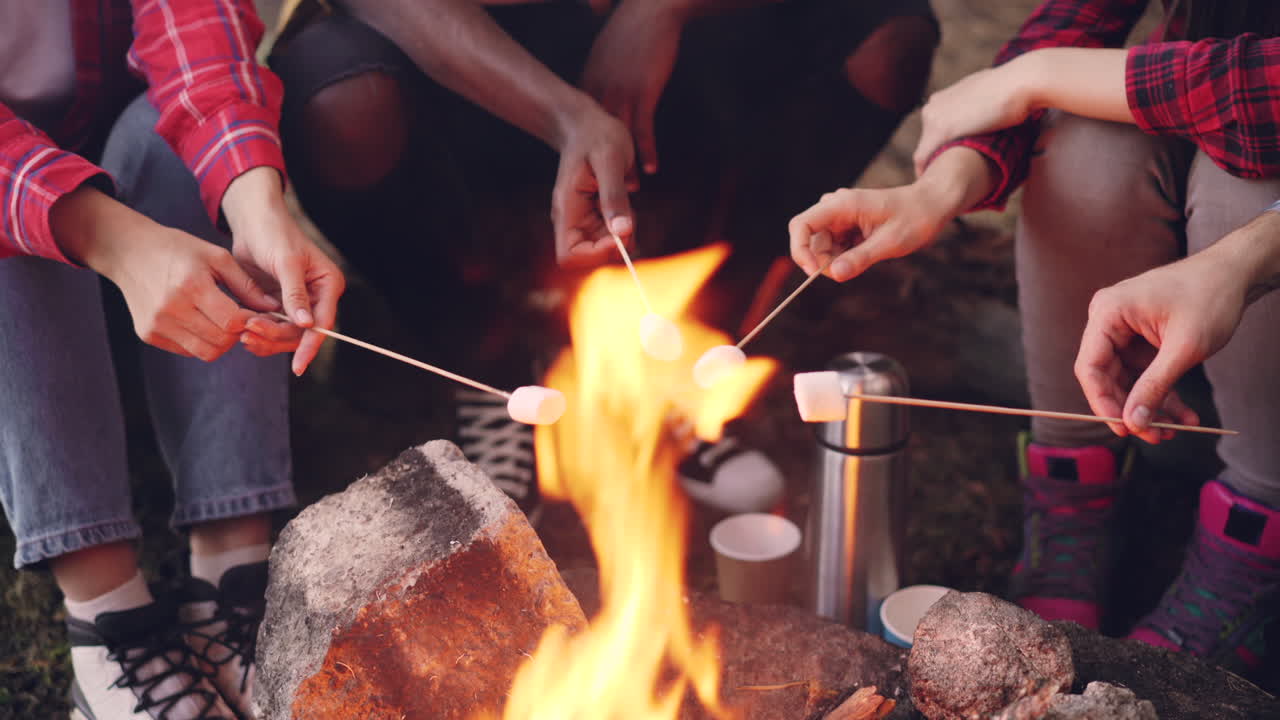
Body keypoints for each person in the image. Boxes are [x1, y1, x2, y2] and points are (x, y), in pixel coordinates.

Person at [266, 0, 938, 520]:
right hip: (449, 62)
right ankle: (487, 373)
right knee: (336, 89)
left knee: (884, 27)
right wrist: (565, 116)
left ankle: (689, 358)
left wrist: (659, 7)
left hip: (670, 52)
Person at [788, 0, 1280, 681]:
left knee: (1245, 185)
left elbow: (1263, 91)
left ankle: (1254, 543)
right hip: (1204, 110)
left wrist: (1242, 261)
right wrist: (938, 190)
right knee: (1089, 147)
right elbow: (1072, 23)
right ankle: (1073, 501)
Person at [0, 2, 343, 718]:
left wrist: (254, 202)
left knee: (177, 144)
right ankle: (106, 614)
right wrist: (116, 242)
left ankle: (231, 577)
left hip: (116, 154)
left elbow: (195, 27)